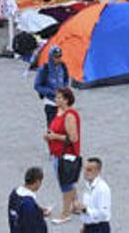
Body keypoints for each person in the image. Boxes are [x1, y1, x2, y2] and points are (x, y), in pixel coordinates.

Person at [44, 87, 81, 224]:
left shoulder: (69, 115)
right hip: (57, 153)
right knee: (69, 181)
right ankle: (76, 205)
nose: (56, 99)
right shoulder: (59, 112)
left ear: (66, 100)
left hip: (65, 155)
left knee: (65, 185)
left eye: (59, 98)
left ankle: (65, 213)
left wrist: (54, 136)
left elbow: (73, 138)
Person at [34, 45, 70, 127]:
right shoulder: (44, 69)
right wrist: (52, 92)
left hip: (62, 104)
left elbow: (66, 79)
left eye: (60, 56)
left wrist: (64, 89)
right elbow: (37, 86)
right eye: (56, 57)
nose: (58, 59)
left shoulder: (63, 66)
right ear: (51, 57)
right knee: (52, 129)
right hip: (50, 104)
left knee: (63, 129)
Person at [73, 158, 111, 233]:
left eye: (89, 170)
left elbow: (103, 214)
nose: (85, 172)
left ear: (98, 171)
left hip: (99, 228)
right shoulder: (89, 186)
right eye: (85, 169)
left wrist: (85, 209)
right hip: (89, 227)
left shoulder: (102, 189)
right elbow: (91, 208)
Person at [8, 167, 50, 233]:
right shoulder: (28, 205)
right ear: (37, 182)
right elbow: (32, 227)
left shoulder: (14, 193)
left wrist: (39, 211)